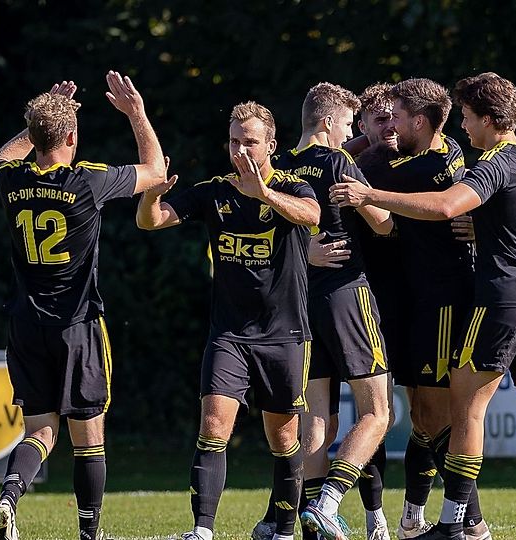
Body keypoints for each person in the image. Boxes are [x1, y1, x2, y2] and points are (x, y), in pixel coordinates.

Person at [331, 71, 516, 540]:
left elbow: (445, 207)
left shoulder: (494, 162)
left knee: (463, 409)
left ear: (487, 119)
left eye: (467, 117)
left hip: (503, 298)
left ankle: (455, 524)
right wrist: (483, 228)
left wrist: (370, 195)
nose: (463, 126)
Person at [0, 72, 172, 540]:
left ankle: (10, 495)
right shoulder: (86, 180)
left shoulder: (12, 181)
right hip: (76, 324)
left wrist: (36, 122)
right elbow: (154, 169)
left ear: (34, 138)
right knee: (88, 436)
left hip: (26, 323)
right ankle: (90, 532)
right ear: (71, 136)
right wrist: (137, 113)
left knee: (40, 432)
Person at [135, 101, 320, 540]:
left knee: (283, 439)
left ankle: (283, 527)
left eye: (250, 142)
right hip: (230, 335)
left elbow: (312, 217)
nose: (240, 150)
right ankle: (202, 530)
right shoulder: (213, 191)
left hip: (284, 335)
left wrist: (266, 196)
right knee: (214, 425)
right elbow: (150, 221)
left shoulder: (295, 186)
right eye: (234, 141)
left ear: (271, 146)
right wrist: (152, 193)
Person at [271, 82, 394, 540]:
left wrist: (303, 253)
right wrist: (377, 202)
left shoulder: (278, 165)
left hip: (298, 302)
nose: (348, 133)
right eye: (346, 123)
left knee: (316, 419)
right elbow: (382, 225)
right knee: (378, 412)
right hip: (346, 293)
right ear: (327, 122)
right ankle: (328, 504)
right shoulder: (338, 161)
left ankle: (311, 527)